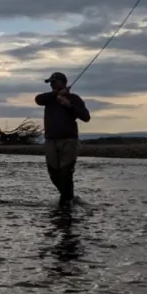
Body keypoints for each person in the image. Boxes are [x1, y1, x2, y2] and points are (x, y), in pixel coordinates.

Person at [34, 72, 90, 203]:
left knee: (66, 173)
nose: (52, 84)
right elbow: (38, 99)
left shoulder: (74, 98)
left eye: (54, 81)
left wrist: (69, 105)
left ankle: (66, 201)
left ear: (63, 82)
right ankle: (69, 198)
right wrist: (57, 94)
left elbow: (86, 117)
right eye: (50, 82)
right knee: (53, 174)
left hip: (69, 141)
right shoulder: (49, 99)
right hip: (50, 141)